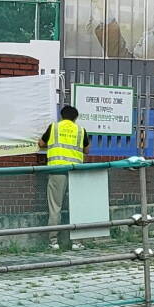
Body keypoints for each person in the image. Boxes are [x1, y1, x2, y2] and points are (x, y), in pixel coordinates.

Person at [38, 105, 89, 251]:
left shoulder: (53, 127)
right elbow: (87, 150)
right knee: (77, 206)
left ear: (61, 116)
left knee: (55, 207)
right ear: (76, 118)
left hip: (57, 170)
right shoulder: (81, 130)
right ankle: (77, 242)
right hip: (76, 172)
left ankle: (53, 242)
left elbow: (41, 143)